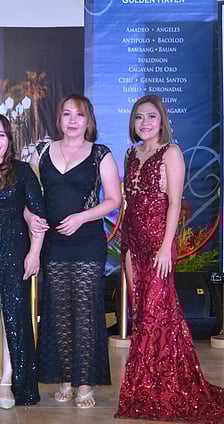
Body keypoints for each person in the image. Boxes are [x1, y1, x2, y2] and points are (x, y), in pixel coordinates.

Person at [115, 95, 224, 421]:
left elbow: (175, 203)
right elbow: (130, 201)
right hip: (132, 244)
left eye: (151, 116)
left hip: (158, 245)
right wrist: (127, 244)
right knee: (143, 315)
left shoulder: (171, 153)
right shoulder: (131, 154)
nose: (145, 123)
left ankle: (167, 387)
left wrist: (166, 247)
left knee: (159, 315)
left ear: (161, 120)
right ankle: (145, 387)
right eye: (139, 117)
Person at [28, 94, 121, 408]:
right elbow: (28, 195)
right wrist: (30, 217)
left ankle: (85, 383)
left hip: (87, 243)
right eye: (66, 114)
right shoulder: (42, 151)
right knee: (58, 312)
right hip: (53, 244)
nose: (72, 120)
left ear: (88, 120)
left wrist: (82, 217)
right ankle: (65, 378)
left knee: (85, 312)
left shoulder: (100, 154)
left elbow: (114, 200)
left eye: (79, 115)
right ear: (59, 118)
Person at [0, 113, 45, 409]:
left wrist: (34, 253)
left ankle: (9, 384)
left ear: (9, 140)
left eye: (1, 135)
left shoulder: (22, 171)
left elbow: (38, 216)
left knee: (16, 320)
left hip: (16, 257)